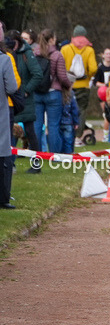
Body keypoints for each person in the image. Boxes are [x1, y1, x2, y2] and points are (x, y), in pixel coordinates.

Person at [6, 30, 43, 172]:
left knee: (29, 131)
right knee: (11, 131)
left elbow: (37, 74)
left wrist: (26, 91)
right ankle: (10, 164)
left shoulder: (27, 54)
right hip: (13, 98)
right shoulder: (9, 55)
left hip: (24, 99)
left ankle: (36, 164)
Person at [34, 29, 72, 153]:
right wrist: (68, 85)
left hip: (37, 93)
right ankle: (54, 156)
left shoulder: (35, 53)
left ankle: (36, 154)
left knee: (37, 125)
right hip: (53, 93)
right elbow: (62, 76)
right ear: (51, 39)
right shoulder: (57, 55)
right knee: (53, 126)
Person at [60, 25, 97, 145]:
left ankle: (66, 135)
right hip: (83, 86)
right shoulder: (89, 50)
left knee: (66, 110)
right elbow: (93, 68)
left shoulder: (65, 49)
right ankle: (77, 137)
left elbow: (60, 67)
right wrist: (88, 76)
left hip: (67, 85)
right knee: (81, 110)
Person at [1, 40, 18, 208]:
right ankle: (3, 198)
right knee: (3, 155)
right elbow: (13, 87)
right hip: (2, 111)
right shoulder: (5, 59)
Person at [93, 47, 110, 142]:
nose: (108, 56)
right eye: (107, 54)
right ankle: (106, 136)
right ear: (103, 55)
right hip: (103, 94)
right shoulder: (100, 68)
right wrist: (105, 85)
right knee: (107, 115)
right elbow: (95, 82)